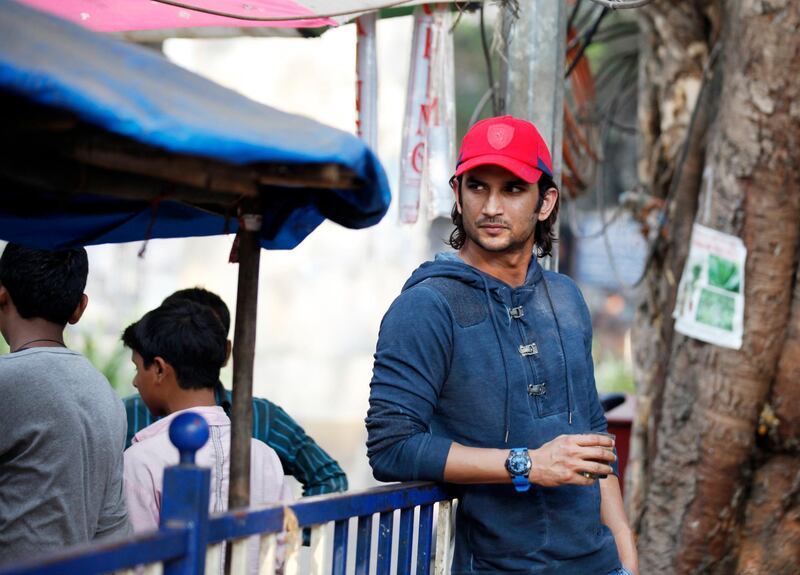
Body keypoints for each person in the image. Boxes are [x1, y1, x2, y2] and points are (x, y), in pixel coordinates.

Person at [366, 116, 639, 574]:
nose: (491, 206)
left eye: (512, 189)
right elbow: (391, 446)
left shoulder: (567, 298)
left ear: (545, 201)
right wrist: (525, 464)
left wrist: (626, 556)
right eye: (478, 187)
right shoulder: (428, 306)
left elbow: (596, 438)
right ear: (458, 194)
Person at [123, 287, 348, 498]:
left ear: (225, 351)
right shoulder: (126, 416)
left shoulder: (263, 420)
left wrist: (295, 533)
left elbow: (329, 479)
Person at [122, 300, 291, 573]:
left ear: (160, 369)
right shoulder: (263, 456)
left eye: (137, 368)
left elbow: (137, 564)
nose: (135, 381)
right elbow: (280, 554)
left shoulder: (140, 461)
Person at [0, 243, 130, 564]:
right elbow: (113, 528)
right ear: (79, 308)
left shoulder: (7, 381)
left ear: (1, 294)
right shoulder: (105, 394)